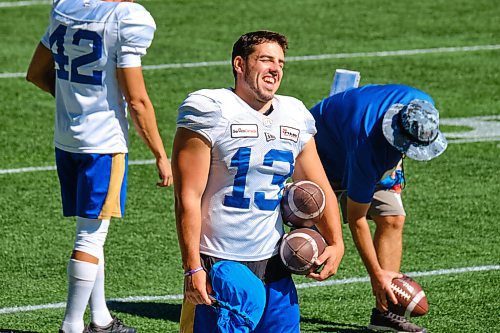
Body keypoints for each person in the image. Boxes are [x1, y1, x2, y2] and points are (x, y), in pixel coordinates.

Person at [171, 30, 344, 333]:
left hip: (274, 261)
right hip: (221, 264)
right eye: (265, 60)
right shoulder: (211, 109)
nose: (275, 68)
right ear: (240, 64)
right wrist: (193, 267)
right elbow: (187, 196)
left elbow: (318, 185)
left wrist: (337, 241)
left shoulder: (294, 114)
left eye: (280, 63)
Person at [26, 0, 172, 332]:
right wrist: (160, 154)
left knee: (92, 231)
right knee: (89, 238)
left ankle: (101, 318)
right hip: (102, 146)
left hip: (67, 139)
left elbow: (35, 73)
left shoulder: (67, 8)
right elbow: (137, 100)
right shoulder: (125, 19)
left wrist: (75, 103)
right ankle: (72, 326)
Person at [310, 84, 447, 333]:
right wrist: (375, 274)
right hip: (321, 151)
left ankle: (385, 314)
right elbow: (356, 219)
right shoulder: (368, 148)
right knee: (304, 243)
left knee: (393, 218)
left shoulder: (423, 103)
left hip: (354, 139)